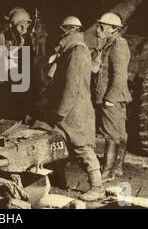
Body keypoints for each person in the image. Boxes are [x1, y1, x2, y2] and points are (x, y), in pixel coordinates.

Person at [42, 16, 104, 202]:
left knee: (82, 148)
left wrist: (61, 111)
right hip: (69, 108)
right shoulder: (71, 49)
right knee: (51, 141)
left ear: (68, 30)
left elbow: (72, 85)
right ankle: (55, 181)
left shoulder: (78, 51)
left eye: (63, 30)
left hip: (74, 110)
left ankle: (97, 187)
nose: (59, 33)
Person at [92, 12, 132, 182]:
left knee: (111, 134)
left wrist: (110, 98)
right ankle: (117, 168)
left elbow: (119, 75)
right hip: (111, 97)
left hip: (113, 98)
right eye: (98, 26)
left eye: (102, 27)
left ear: (114, 30)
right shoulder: (108, 44)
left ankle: (108, 172)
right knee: (119, 133)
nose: (98, 30)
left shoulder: (118, 46)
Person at [0, 7, 34, 121]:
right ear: (11, 26)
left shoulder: (26, 40)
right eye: (20, 26)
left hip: (15, 87)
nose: (23, 30)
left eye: (25, 26)